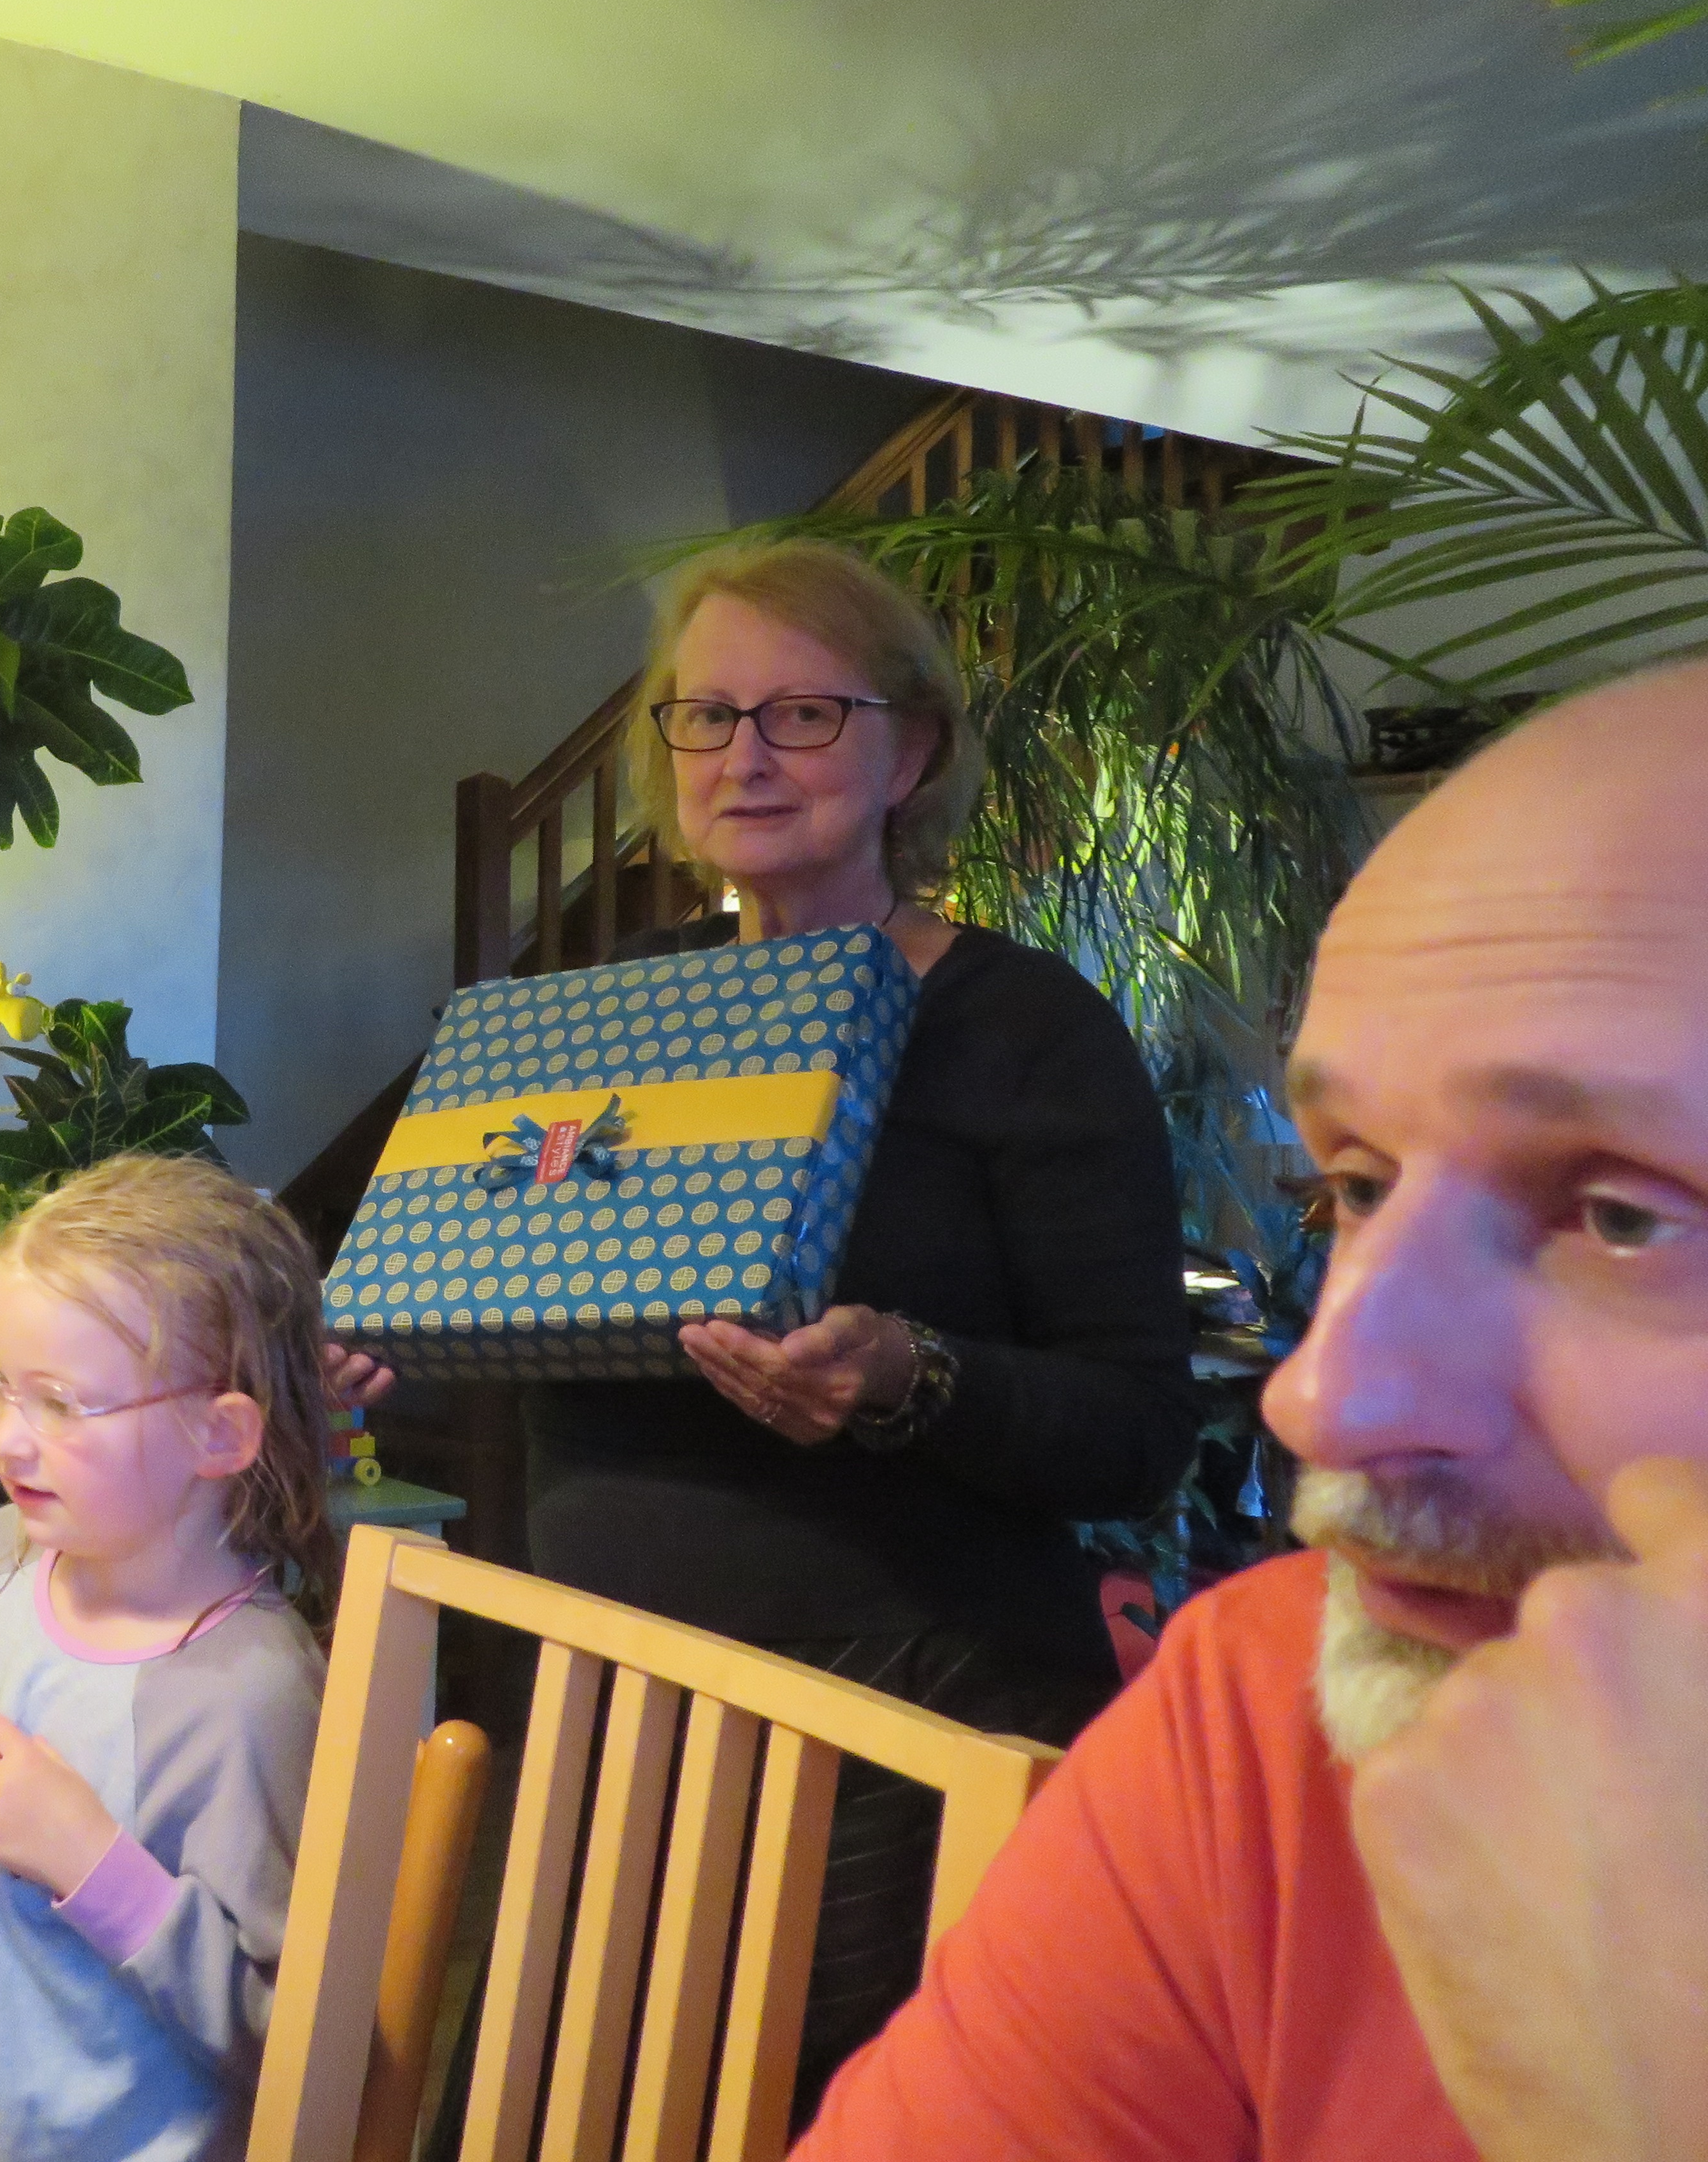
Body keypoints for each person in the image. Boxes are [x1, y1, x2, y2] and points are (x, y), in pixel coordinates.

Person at [797, 657, 1708, 2162]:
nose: (1320, 1394)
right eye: (1357, 1183)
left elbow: (1118, 1409)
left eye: (1624, 1215)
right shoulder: (1277, 1706)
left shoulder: (1019, 1025)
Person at [520, 539, 1202, 2098]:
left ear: (913, 752)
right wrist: (396, 1328)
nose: (745, 755)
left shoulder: (1024, 1028)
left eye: (804, 714)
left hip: (897, 1722)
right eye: (707, 715)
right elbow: (535, 1298)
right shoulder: (619, 1008)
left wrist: (912, 1377)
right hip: (611, 1693)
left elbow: (1138, 1429)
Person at [0, 1154, 338, 2162]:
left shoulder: (246, 1695)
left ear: (217, 1435)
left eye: (62, 1403)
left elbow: (293, 2041)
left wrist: (95, 1867)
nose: (9, 1440)